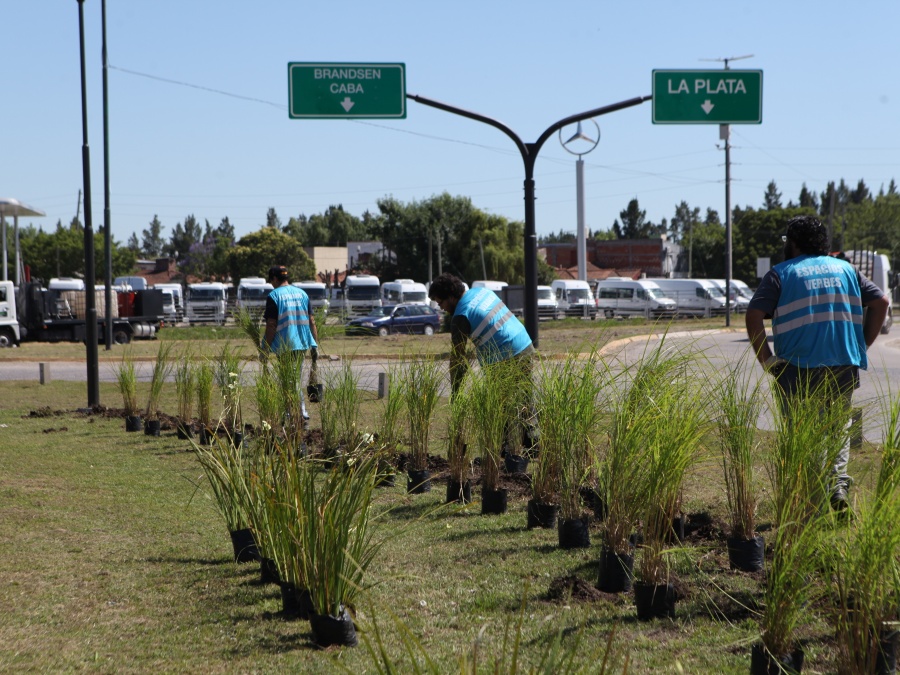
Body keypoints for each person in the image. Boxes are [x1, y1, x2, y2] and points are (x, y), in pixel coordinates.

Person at [745, 215, 890, 510]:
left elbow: (753, 315)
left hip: (795, 368)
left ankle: (812, 500)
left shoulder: (781, 274)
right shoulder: (847, 270)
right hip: (842, 363)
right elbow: (881, 303)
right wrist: (862, 344)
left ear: (794, 243)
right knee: (837, 430)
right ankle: (837, 488)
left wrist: (767, 361)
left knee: (803, 433)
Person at [428, 273, 537, 450]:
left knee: (500, 402)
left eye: (441, 303)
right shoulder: (481, 292)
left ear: (451, 296)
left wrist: (456, 393)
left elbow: (458, 359)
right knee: (525, 395)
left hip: (503, 356)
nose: (442, 308)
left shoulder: (461, 316)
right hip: (524, 343)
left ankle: (505, 448)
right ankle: (533, 442)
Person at [262, 265, 319, 423]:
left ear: (274, 278)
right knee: (294, 377)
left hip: (285, 344)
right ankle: (296, 410)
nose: (271, 284)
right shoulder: (302, 294)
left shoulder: (274, 296)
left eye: (271, 281)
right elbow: (312, 321)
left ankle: (295, 411)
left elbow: (271, 325)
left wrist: (265, 349)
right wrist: (314, 344)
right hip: (302, 343)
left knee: (289, 379)